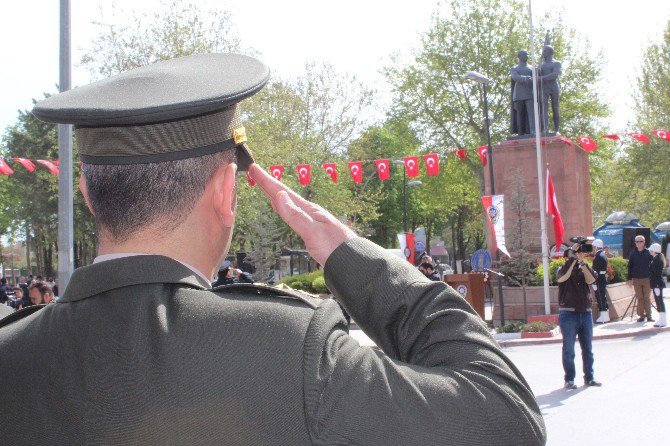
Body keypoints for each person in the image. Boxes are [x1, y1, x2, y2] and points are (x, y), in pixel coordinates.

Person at [0, 54, 545, 445]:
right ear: (224, 190)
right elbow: (505, 419)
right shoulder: (290, 351)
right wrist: (359, 263)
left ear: (89, 194)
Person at [557, 246, 602, 389]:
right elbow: (563, 277)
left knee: (587, 348)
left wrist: (582, 262)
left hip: (586, 313)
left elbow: (592, 280)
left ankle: (589, 377)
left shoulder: (584, 268)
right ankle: (569, 379)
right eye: (572, 255)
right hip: (568, 314)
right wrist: (573, 259)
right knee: (569, 349)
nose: (576, 256)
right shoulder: (562, 269)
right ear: (566, 258)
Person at [627, 235, 654, 322]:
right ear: (635, 243)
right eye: (637, 241)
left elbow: (653, 266)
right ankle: (641, 316)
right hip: (636, 279)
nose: (639, 243)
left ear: (644, 242)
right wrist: (629, 279)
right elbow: (630, 266)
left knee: (646, 297)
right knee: (640, 298)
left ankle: (649, 316)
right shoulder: (632, 253)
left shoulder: (649, 252)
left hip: (647, 279)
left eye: (641, 241)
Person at [510, 50, 535, 135]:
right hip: (518, 94)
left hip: (529, 93)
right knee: (520, 114)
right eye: (524, 54)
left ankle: (532, 131)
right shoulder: (514, 68)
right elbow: (515, 77)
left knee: (531, 113)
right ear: (519, 56)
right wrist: (525, 78)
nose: (526, 56)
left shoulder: (532, 68)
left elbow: (536, 78)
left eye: (527, 54)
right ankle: (520, 133)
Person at [539, 45, 561, 133]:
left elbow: (554, 75)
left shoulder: (556, 63)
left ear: (549, 52)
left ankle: (556, 129)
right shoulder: (541, 65)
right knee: (544, 108)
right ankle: (545, 129)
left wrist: (540, 78)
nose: (543, 53)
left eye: (544, 51)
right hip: (544, 88)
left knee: (555, 108)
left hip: (553, 87)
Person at [592, 239, 610, 323]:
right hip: (602, 277)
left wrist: (594, 282)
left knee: (600, 297)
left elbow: (595, 271)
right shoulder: (603, 254)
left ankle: (603, 316)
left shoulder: (598, 256)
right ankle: (605, 315)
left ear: (596, 246)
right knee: (603, 296)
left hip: (599, 279)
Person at [648, 243, 666, 327]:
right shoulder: (655, 258)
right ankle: (661, 319)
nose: (650, 251)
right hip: (656, 283)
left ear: (654, 250)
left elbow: (656, 274)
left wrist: (656, 285)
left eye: (651, 250)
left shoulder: (657, 260)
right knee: (659, 302)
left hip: (657, 284)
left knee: (660, 302)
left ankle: (663, 320)